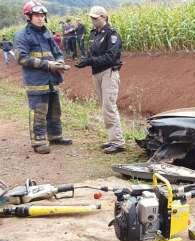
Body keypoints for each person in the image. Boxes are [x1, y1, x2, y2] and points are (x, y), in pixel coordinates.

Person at [14, 1, 72, 154]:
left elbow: (57, 51)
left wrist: (59, 62)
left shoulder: (47, 32)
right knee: (39, 111)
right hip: (36, 81)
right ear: (28, 17)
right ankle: (39, 142)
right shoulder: (22, 35)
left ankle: (55, 136)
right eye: (37, 15)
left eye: (42, 15)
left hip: (52, 79)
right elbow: (22, 59)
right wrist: (48, 65)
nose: (40, 18)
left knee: (55, 110)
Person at [75, 6, 125, 154]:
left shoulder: (112, 34)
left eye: (95, 18)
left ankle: (118, 142)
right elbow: (91, 52)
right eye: (91, 17)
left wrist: (90, 61)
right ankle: (112, 139)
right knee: (104, 106)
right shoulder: (95, 34)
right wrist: (84, 60)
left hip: (109, 73)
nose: (92, 20)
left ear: (104, 17)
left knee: (109, 106)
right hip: (97, 73)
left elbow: (111, 56)